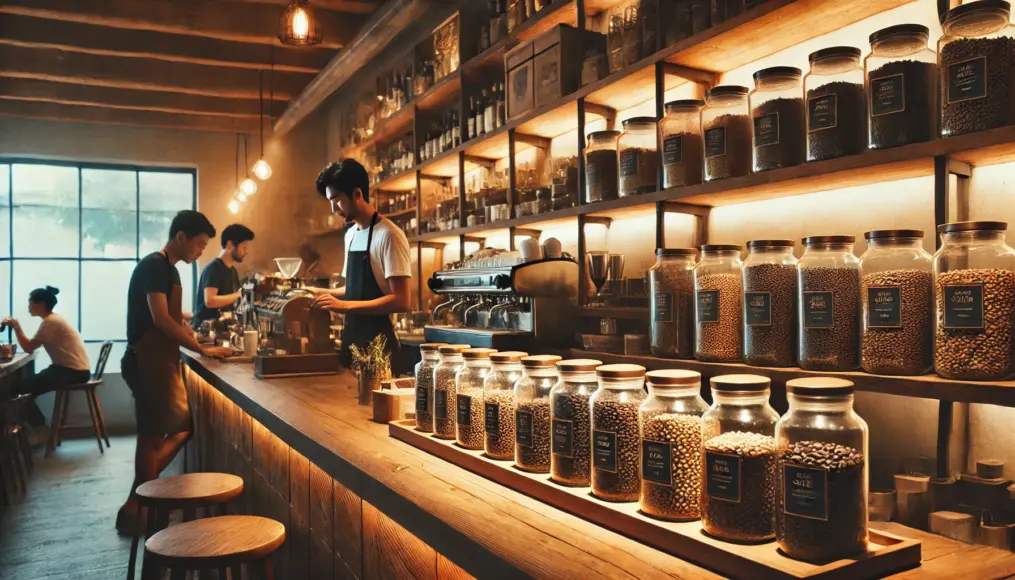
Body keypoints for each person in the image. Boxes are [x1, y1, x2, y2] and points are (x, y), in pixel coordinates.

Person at [116, 210, 231, 535]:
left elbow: (172, 317)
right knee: (151, 437)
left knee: (180, 431)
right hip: (146, 361)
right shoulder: (155, 265)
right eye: (199, 243)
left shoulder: (172, 271)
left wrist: (192, 331)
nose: (201, 251)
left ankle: (137, 500)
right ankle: (140, 505)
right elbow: (161, 319)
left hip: (162, 362)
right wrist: (202, 349)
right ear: (181, 237)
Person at [311, 159, 412, 369]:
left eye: (337, 200)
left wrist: (345, 306)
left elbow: (402, 300)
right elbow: (353, 289)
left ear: (357, 194)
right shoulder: (350, 234)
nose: (333, 209)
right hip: (351, 343)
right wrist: (318, 291)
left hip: (379, 349)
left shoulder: (390, 235)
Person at [2, 286, 91, 444]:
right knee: (26, 387)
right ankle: (33, 428)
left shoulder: (50, 323)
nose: (28, 308)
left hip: (72, 371)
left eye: (30, 304)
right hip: (71, 369)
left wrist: (16, 326)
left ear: (41, 305)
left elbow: (28, 347)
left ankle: (41, 430)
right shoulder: (53, 320)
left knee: (21, 391)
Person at [192, 223, 255, 328]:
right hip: (205, 332)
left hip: (222, 329)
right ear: (230, 245)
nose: (246, 252)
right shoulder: (214, 268)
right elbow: (210, 301)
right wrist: (239, 294)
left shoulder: (232, 270)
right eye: (243, 247)